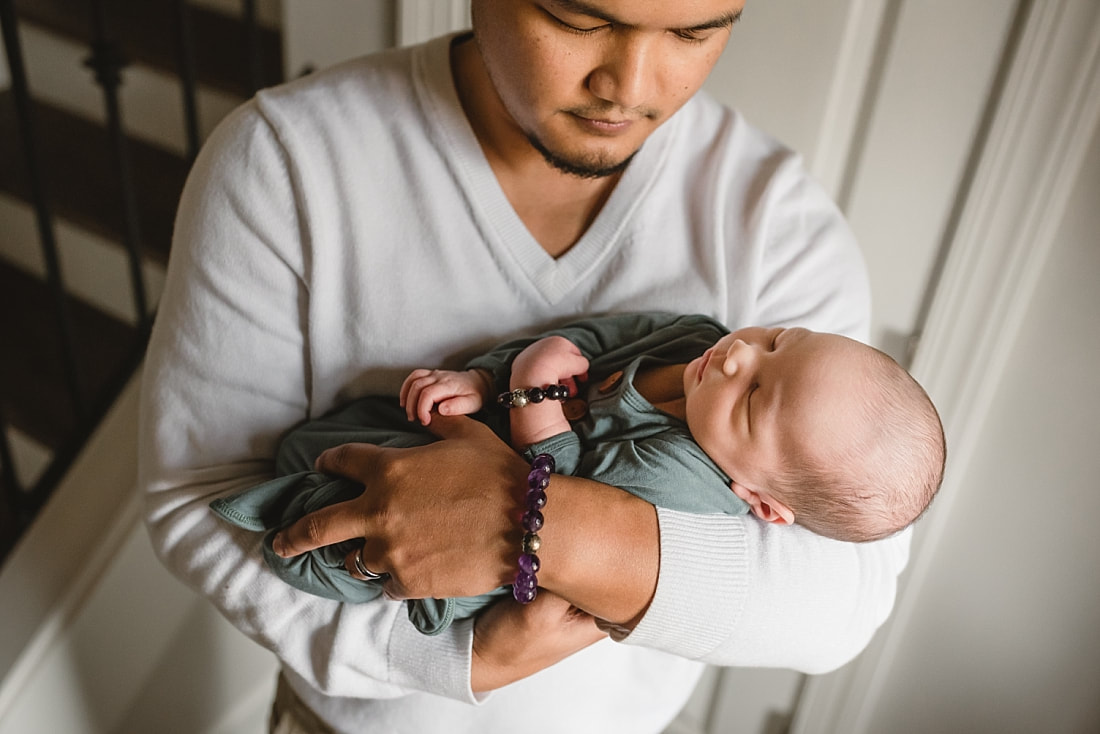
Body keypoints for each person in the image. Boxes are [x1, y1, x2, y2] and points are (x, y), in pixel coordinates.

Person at [138, 1, 914, 732]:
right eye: (577, 17)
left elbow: (848, 593)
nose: (629, 87)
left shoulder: (778, 224)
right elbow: (198, 501)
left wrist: (537, 525)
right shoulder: (285, 162)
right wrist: (463, 657)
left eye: (694, 31)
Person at [210, 312, 943, 636]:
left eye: (754, 396)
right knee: (351, 433)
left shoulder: (682, 482)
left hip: (474, 562)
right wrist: (486, 377)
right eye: (780, 340)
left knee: (332, 549)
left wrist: (532, 399)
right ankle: (305, 467)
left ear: (761, 500)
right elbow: (593, 340)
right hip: (467, 436)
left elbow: (549, 504)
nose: (738, 358)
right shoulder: (697, 338)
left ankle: (274, 510)